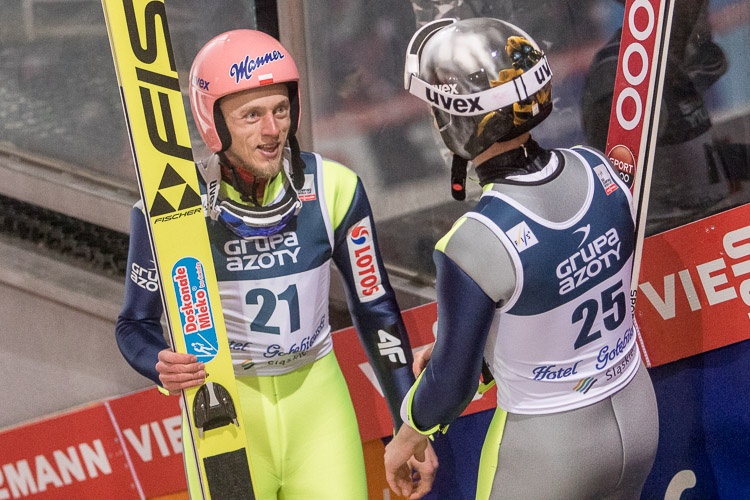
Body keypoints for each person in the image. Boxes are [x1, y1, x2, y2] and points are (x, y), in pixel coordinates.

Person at [115, 29, 437, 499]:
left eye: (280, 110)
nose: (272, 130)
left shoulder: (334, 188)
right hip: (226, 417)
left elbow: (377, 311)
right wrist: (157, 362)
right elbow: (133, 324)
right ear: (213, 122)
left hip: (319, 413)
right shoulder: (170, 209)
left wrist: (410, 426)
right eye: (251, 115)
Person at [385, 18, 659, 499]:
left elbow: (451, 385)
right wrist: (483, 352)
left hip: (549, 444)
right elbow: (564, 297)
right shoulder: (600, 168)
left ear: (456, 121)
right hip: (637, 413)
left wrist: (406, 437)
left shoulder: (473, 240)